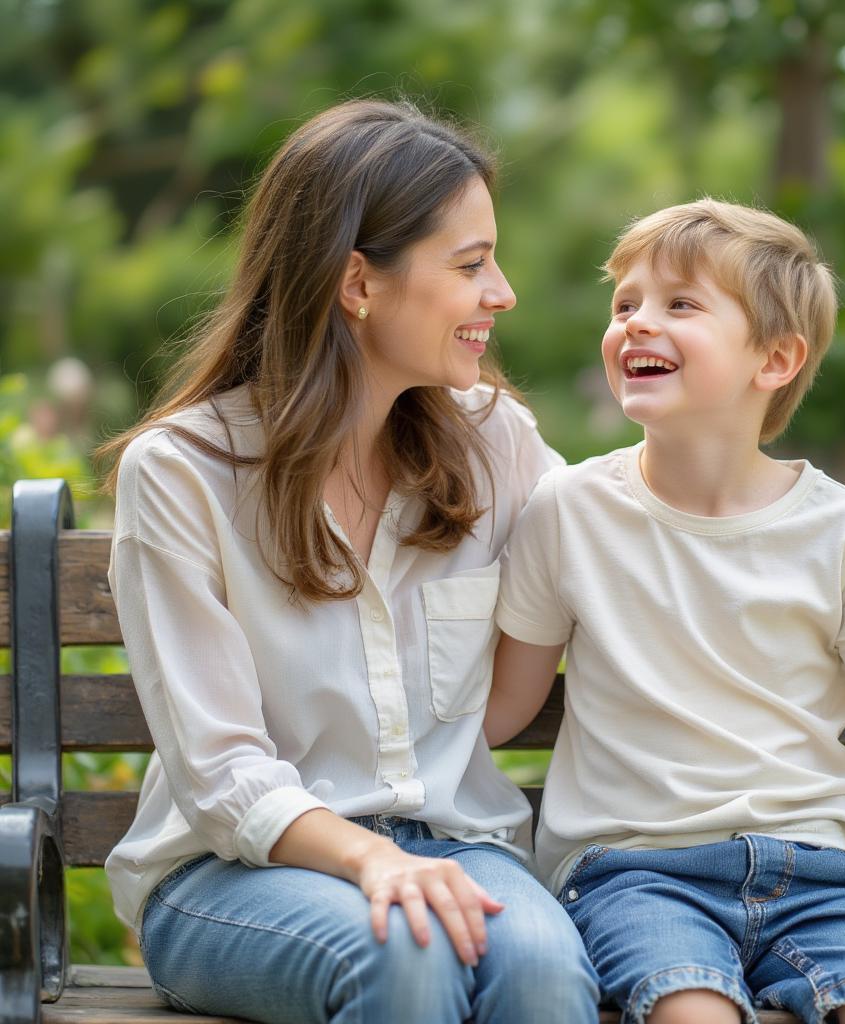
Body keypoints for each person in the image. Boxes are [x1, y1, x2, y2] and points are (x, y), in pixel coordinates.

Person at [97, 99, 600, 1024]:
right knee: (407, 954)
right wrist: (373, 858)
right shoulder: (183, 474)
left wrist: (816, 541)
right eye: (470, 264)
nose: (503, 292)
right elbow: (220, 773)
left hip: (456, 841)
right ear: (357, 283)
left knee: (541, 970)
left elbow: (633, 537)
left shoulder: (498, 444)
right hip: (233, 873)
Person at [485, 199, 845, 1024]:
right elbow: (503, 707)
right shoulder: (567, 510)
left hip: (819, 875)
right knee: (690, 1009)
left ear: (774, 359)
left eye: (680, 304)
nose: (637, 323)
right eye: (624, 303)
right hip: (634, 872)